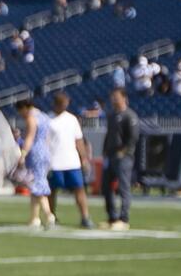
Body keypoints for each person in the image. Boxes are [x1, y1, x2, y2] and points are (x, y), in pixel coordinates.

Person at [46, 93, 94, 229]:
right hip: (54, 162)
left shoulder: (72, 119)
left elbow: (78, 140)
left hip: (72, 161)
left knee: (79, 188)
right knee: (52, 190)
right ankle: (52, 216)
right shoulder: (48, 119)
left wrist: (84, 158)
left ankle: (85, 217)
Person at [12, 97, 54, 229]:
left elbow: (29, 137)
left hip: (36, 152)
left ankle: (47, 215)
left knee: (36, 184)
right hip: (45, 151)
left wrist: (23, 154)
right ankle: (36, 217)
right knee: (37, 185)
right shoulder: (44, 116)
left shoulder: (31, 118)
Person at [101, 88, 138, 231]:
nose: (114, 100)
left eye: (116, 97)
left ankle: (124, 218)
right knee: (106, 187)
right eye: (112, 97)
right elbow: (109, 134)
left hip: (123, 157)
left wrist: (125, 151)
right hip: (110, 155)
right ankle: (112, 217)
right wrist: (105, 150)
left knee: (123, 187)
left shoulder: (129, 116)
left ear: (124, 98)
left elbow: (133, 137)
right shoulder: (111, 115)